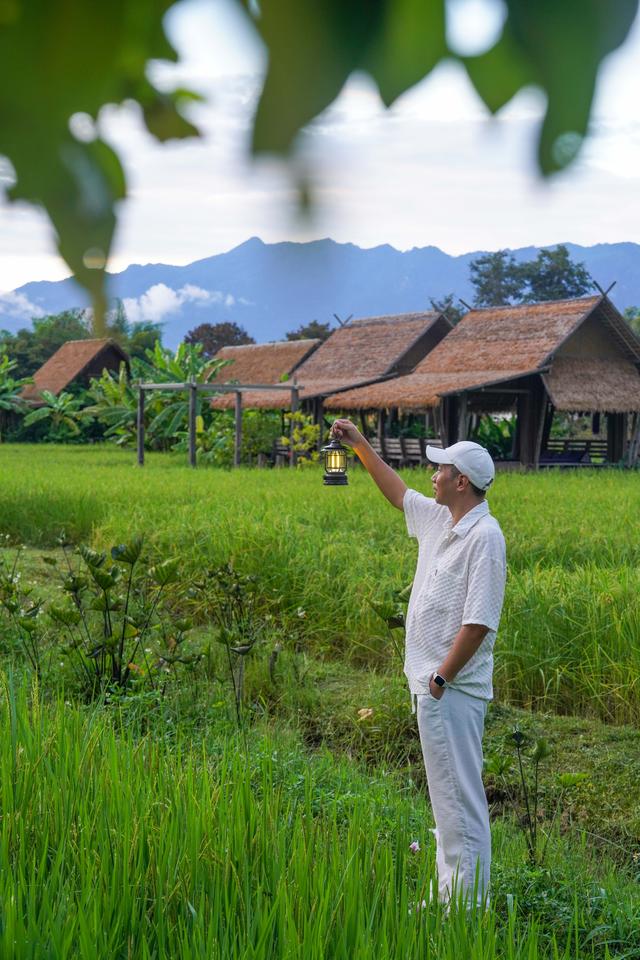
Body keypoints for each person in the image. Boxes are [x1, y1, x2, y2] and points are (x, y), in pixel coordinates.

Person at [330, 420, 506, 911]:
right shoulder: (439, 520)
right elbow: (397, 493)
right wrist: (360, 444)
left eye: (441, 469)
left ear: (462, 481)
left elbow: (478, 622)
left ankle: (464, 912)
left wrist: (440, 678)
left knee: (459, 802)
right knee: (446, 803)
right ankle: (449, 896)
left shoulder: (485, 536)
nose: (433, 475)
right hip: (432, 686)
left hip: (450, 689)